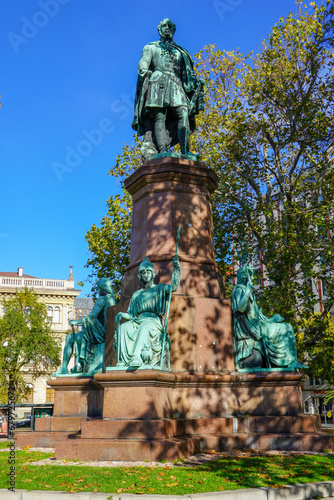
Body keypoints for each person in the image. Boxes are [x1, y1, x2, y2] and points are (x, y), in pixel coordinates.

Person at [132, 18, 204, 161]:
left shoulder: (180, 52)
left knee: (183, 114)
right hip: (158, 82)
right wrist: (143, 69)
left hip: (176, 84)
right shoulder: (151, 47)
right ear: (159, 29)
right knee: (160, 117)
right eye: (164, 26)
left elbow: (187, 74)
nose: (167, 28)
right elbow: (144, 62)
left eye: (170, 26)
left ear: (174, 30)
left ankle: (185, 151)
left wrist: (196, 82)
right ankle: (163, 151)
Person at [232, 264, 305, 369]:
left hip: (258, 324)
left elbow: (257, 316)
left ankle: (290, 361)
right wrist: (248, 291)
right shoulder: (239, 289)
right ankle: (287, 362)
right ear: (244, 276)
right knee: (284, 328)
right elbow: (240, 308)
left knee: (288, 327)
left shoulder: (246, 290)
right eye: (250, 275)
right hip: (250, 327)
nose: (252, 278)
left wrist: (272, 319)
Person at [114, 256, 180, 369]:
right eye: (143, 272)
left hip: (153, 320)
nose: (145, 274)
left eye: (148, 272)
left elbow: (173, 287)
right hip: (138, 319)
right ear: (140, 276)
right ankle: (123, 361)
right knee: (124, 327)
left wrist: (177, 268)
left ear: (152, 274)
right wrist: (122, 314)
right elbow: (131, 314)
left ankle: (137, 357)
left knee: (145, 327)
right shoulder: (136, 294)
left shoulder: (160, 288)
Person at [53, 278, 116, 376]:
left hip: (99, 334)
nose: (98, 291)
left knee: (69, 337)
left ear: (102, 288)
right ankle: (79, 364)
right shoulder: (113, 300)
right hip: (108, 333)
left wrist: (76, 322)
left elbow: (92, 316)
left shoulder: (102, 299)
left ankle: (64, 367)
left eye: (98, 288)